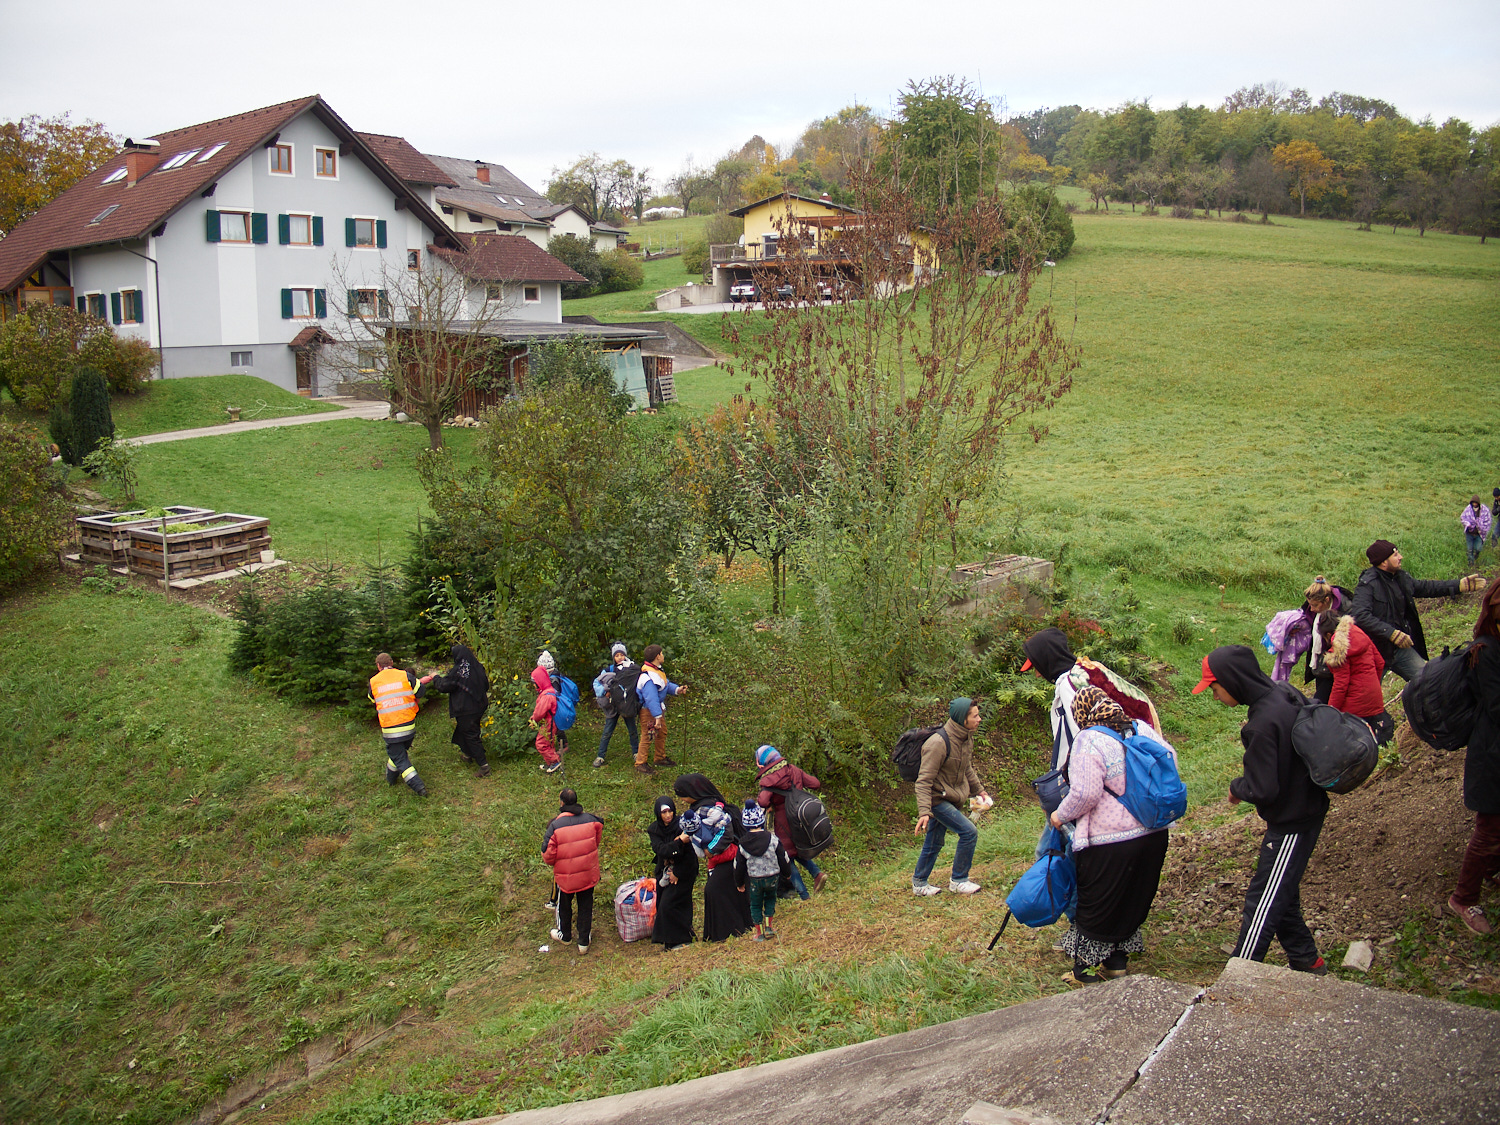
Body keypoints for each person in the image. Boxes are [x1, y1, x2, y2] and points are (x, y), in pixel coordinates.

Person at [1194, 645, 1329, 975]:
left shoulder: (1261, 724)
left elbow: (1263, 788)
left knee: (1262, 900)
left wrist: (1236, 788)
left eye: (1214, 688)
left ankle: (1239, 975)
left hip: (1292, 821)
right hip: (1307, 805)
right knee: (1281, 892)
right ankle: (1307, 961)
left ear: (1233, 681)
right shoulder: (1282, 691)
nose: (1215, 696)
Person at [1048, 687, 1175, 984]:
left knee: (1095, 906)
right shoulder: (1140, 727)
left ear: (1082, 714)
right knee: (1128, 901)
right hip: (1153, 835)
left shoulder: (1089, 739)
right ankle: (1117, 965)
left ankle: (1085, 973)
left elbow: (1085, 793)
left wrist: (1060, 815)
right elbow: (1170, 760)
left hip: (1110, 841)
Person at [1446, 575, 1500, 935]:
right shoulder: (1485, 651)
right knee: (1489, 828)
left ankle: (1493, 870)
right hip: (1492, 756)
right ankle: (1463, 898)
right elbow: (1496, 707)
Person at [1352, 539, 1483, 683]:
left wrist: (1458, 585)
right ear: (1383, 562)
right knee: (1368, 694)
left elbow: (1425, 587)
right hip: (1374, 652)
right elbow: (1360, 615)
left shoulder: (1400, 577)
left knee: (1429, 682)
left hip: (1400, 649)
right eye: (1395, 555)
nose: (1400, 557)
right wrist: (1391, 633)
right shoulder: (1368, 584)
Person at [912, 698, 991, 896]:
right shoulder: (937, 743)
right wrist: (924, 812)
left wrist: (979, 791)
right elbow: (923, 781)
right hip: (937, 799)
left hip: (951, 796)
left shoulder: (966, 738)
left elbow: (966, 768)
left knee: (934, 841)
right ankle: (959, 880)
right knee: (968, 832)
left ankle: (919, 883)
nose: (979, 719)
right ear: (963, 719)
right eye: (975, 716)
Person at [673, 773, 751, 941]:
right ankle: (737, 926)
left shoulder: (709, 808)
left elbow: (725, 831)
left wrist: (710, 849)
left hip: (727, 855)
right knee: (728, 890)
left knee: (714, 890)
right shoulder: (701, 807)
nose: (682, 800)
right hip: (720, 858)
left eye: (683, 796)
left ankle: (728, 930)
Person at [1264, 578, 1356, 702]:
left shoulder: (1347, 610)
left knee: (1323, 699)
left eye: (1315, 605)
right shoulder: (1312, 609)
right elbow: (1307, 621)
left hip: (1337, 661)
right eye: (1310, 604)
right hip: (1319, 661)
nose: (1311, 609)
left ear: (1327, 600)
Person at [755, 745, 827, 898]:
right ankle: (817, 874)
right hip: (800, 819)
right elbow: (815, 783)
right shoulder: (793, 769)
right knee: (798, 850)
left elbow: (762, 801)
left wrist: (772, 802)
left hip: (783, 824)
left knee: (786, 858)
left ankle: (804, 895)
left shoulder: (769, 779)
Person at [1317, 611, 1394, 745]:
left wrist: (1332, 711)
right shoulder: (1359, 633)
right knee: (1377, 740)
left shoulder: (1338, 650)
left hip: (1354, 706)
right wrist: (1373, 684)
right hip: (1374, 698)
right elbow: (1380, 662)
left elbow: (1341, 685)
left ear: (1328, 635)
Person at [543, 788, 603, 954]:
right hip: (587, 873)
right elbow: (596, 840)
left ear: (561, 802)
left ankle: (565, 935)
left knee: (564, 905)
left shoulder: (555, 825)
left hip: (566, 877)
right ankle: (583, 941)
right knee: (585, 905)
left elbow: (547, 854)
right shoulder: (592, 820)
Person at [418, 644, 491, 778]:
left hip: (465, 709)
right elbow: (486, 685)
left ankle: (484, 765)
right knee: (464, 730)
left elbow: (444, 686)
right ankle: (468, 754)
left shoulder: (458, 671)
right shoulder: (478, 667)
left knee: (470, 734)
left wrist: (435, 677)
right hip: (479, 706)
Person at [368, 653, 429, 797]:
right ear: (391, 662)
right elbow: (421, 690)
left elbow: (372, 698)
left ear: (378, 666)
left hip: (391, 728)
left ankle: (419, 786)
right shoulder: (405, 675)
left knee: (400, 759)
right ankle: (390, 779)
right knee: (398, 754)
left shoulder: (373, 681)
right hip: (409, 726)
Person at [646, 795, 697, 949]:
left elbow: (689, 854)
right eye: (664, 812)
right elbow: (661, 850)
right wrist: (679, 842)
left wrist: (677, 873)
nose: (668, 815)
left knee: (671, 904)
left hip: (685, 870)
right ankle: (670, 940)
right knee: (663, 904)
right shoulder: (654, 829)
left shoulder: (682, 825)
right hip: (665, 872)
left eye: (670, 811)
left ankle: (682, 939)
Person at [735, 802, 790, 941]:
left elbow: (738, 866)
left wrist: (739, 882)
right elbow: (783, 857)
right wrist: (787, 873)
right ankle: (769, 927)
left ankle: (759, 933)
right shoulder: (773, 839)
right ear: (762, 821)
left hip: (755, 879)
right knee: (770, 899)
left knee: (755, 904)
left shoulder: (742, 844)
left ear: (745, 824)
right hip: (773, 876)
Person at [636, 645, 686, 776]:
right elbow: (651, 699)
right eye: (662, 653)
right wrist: (657, 717)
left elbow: (665, 684)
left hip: (657, 710)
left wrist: (677, 689)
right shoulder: (647, 677)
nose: (663, 655)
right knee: (648, 735)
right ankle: (640, 763)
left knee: (662, 733)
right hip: (649, 711)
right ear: (657, 656)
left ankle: (659, 757)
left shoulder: (656, 671)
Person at [592, 643, 640, 769]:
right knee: (608, 730)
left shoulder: (631, 668)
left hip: (626, 704)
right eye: (617, 655)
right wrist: (604, 691)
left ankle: (636, 752)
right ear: (613, 657)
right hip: (612, 705)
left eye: (622, 655)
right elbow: (597, 683)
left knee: (632, 730)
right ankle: (600, 755)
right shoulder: (609, 670)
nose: (620, 657)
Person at [529, 665, 563, 774]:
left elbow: (539, 713)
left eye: (535, 683)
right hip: (550, 721)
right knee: (549, 742)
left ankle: (555, 761)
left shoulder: (546, 696)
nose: (534, 685)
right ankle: (550, 762)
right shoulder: (548, 691)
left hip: (549, 722)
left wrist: (534, 720)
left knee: (541, 743)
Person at [537, 650, 568, 758]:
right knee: (555, 726)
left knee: (556, 726)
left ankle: (563, 744)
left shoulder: (553, 678)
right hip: (555, 705)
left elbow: (554, 693)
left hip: (555, 706)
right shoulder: (554, 674)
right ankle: (558, 744)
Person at [1462, 495, 1493, 565]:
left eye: (1475, 503)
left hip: (1479, 534)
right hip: (1469, 533)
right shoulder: (1468, 509)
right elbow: (1463, 518)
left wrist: (1480, 525)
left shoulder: (1484, 510)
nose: (1474, 504)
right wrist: (1468, 524)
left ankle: (1476, 556)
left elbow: (1487, 521)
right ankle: (1471, 563)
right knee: (1470, 550)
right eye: (1473, 503)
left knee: (1478, 549)